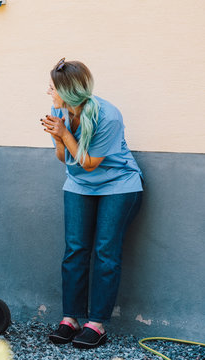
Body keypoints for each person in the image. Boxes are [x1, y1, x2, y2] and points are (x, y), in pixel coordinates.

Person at [41, 58, 143, 349]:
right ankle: (71, 318)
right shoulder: (58, 110)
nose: (49, 91)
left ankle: (96, 324)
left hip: (118, 185)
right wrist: (59, 137)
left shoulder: (108, 116)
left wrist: (63, 134)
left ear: (69, 90)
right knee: (75, 249)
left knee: (105, 252)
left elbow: (88, 162)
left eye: (53, 87)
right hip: (79, 185)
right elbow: (64, 158)